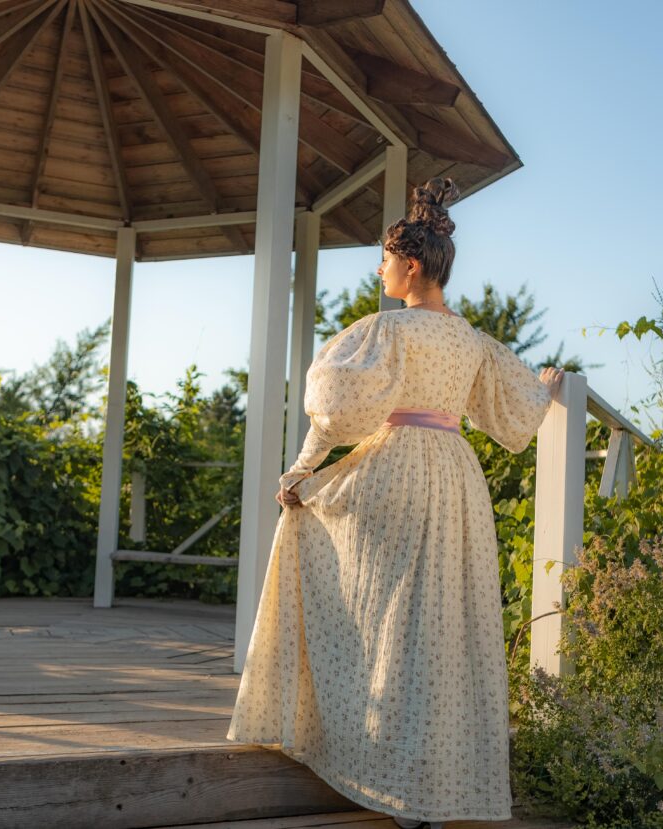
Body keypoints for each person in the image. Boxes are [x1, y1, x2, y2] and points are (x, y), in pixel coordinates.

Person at [226, 177, 564, 829]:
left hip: (396, 466)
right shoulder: (471, 339)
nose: (379, 270)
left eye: (383, 259)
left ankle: (381, 763)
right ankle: (431, 781)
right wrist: (547, 389)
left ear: (410, 264)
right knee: (435, 627)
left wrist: (300, 473)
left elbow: (338, 412)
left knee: (381, 614)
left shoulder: (388, 331)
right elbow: (518, 413)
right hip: (455, 476)